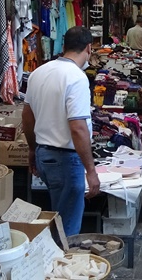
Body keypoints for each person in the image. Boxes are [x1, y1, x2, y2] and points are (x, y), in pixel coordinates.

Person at [22, 26, 101, 236]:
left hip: (44, 155)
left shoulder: (39, 72)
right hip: (65, 160)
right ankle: (61, 262)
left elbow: (27, 117)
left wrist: (32, 149)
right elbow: (78, 128)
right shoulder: (76, 77)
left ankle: (52, 258)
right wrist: (91, 171)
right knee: (67, 228)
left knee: (58, 214)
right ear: (88, 48)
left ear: (64, 46)